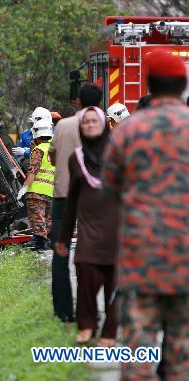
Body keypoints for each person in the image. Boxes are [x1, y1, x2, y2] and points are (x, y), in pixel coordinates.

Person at [102, 50, 189, 380]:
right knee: (182, 358)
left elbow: (109, 192)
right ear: (183, 86)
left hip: (142, 263)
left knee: (138, 358)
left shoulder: (128, 132)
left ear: (149, 85)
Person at [55, 106, 118, 346]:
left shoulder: (118, 155)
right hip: (89, 231)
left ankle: (110, 332)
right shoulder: (76, 159)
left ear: (104, 125)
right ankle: (87, 325)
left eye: (95, 121)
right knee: (86, 277)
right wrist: (62, 237)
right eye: (86, 122)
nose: (90, 125)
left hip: (117, 230)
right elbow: (71, 201)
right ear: (81, 127)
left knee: (115, 282)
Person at [48, 83, 102, 323]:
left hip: (63, 195)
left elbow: (52, 155)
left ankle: (63, 310)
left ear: (78, 101)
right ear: (99, 103)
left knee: (60, 253)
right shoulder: (102, 127)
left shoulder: (63, 125)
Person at [17, 118, 54, 251]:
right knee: (48, 219)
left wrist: (24, 187)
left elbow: (33, 171)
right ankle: (47, 243)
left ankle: (40, 244)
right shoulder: (55, 148)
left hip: (36, 191)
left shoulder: (38, 150)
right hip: (51, 191)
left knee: (37, 218)